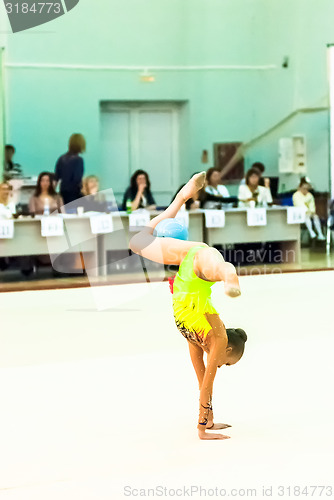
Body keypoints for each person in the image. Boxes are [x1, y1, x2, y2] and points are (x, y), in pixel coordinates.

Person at [129, 172, 247, 440]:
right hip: (193, 283)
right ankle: (231, 278)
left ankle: (181, 196)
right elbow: (208, 385)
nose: (222, 365)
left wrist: (209, 419)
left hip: (186, 307)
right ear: (227, 348)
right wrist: (203, 428)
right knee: (217, 263)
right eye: (228, 362)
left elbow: (200, 379)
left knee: (137, 241)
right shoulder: (216, 338)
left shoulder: (199, 337)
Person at [54, 134, 86, 205]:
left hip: (63, 191)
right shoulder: (78, 160)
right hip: (74, 193)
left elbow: (56, 177)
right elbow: (77, 179)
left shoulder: (61, 158)